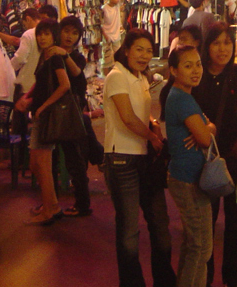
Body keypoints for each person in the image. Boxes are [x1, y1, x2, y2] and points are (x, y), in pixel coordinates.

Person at [103, 30, 175, 287]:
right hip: (121, 158)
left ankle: (164, 280)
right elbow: (127, 117)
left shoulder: (140, 78)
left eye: (148, 51)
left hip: (144, 158)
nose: (144, 56)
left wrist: (152, 123)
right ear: (126, 50)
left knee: (160, 224)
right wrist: (153, 137)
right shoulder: (116, 76)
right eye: (139, 49)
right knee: (129, 229)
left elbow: (141, 113)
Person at [192, 23, 237, 287]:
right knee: (205, 222)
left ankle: (235, 279)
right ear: (206, 46)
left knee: (236, 220)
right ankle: (204, 279)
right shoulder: (196, 72)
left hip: (236, 156)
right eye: (216, 43)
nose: (223, 49)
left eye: (228, 43)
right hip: (203, 156)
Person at [165, 46, 215, 287]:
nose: (196, 70)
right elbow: (205, 138)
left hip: (188, 176)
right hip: (188, 179)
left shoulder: (182, 96)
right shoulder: (182, 99)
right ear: (174, 70)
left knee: (194, 244)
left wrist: (206, 129)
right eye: (188, 66)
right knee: (201, 247)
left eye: (198, 64)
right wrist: (207, 129)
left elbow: (207, 130)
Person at [13, 20, 70, 225]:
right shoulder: (44, 57)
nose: (42, 38)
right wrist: (28, 98)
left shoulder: (55, 58)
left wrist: (44, 106)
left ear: (54, 36)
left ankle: (50, 209)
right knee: (36, 164)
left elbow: (65, 85)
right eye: (40, 34)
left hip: (47, 117)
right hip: (39, 115)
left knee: (42, 165)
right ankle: (51, 205)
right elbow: (40, 84)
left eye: (46, 34)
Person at [52, 16, 93, 217]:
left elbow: (76, 74)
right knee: (57, 158)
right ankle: (51, 202)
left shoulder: (77, 57)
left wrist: (64, 55)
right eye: (66, 31)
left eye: (74, 33)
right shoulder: (51, 52)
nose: (70, 36)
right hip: (55, 111)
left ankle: (82, 204)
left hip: (69, 113)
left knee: (74, 158)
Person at [102, 0, 126, 75]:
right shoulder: (104, 9)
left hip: (116, 37)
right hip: (107, 38)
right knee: (106, 61)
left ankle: (116, 76)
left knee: (118, 59)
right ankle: (105, 79)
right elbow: (100, 25)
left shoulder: (117, 6)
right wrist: (105, 36)